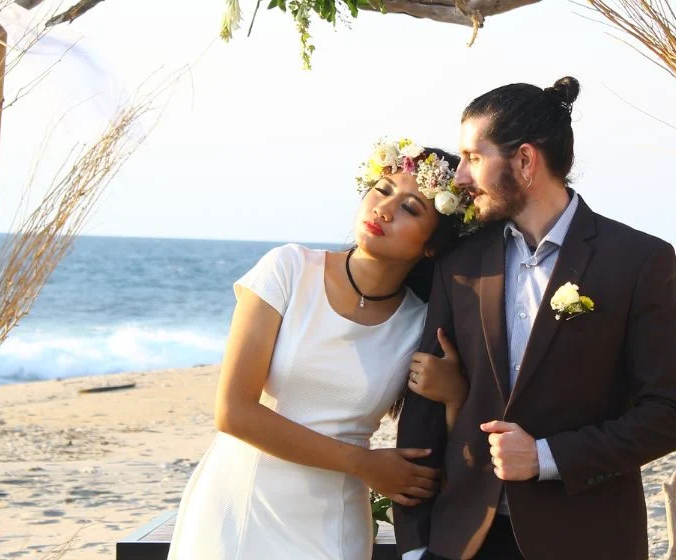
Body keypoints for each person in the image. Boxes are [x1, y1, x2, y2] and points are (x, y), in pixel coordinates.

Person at [395, 78, 676, 560]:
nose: (460, 178)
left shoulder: (638, 260)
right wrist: (416, 544)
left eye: (474, 157)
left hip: (586, 539)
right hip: (464, 540)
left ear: (524, 161)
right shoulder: (461, 263)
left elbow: (672, 416)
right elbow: (423, 418)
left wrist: (545, 457)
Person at [168, 139, 476, 560]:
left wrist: (455, 394)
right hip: (238, 507)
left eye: (410, 208)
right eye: (382, 190)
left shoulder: (421, 325)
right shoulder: (289, 269)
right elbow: (233, 412)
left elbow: (453, 447)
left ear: (432, 245)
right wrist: (364, 466)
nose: (383, 210)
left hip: (333, 526)